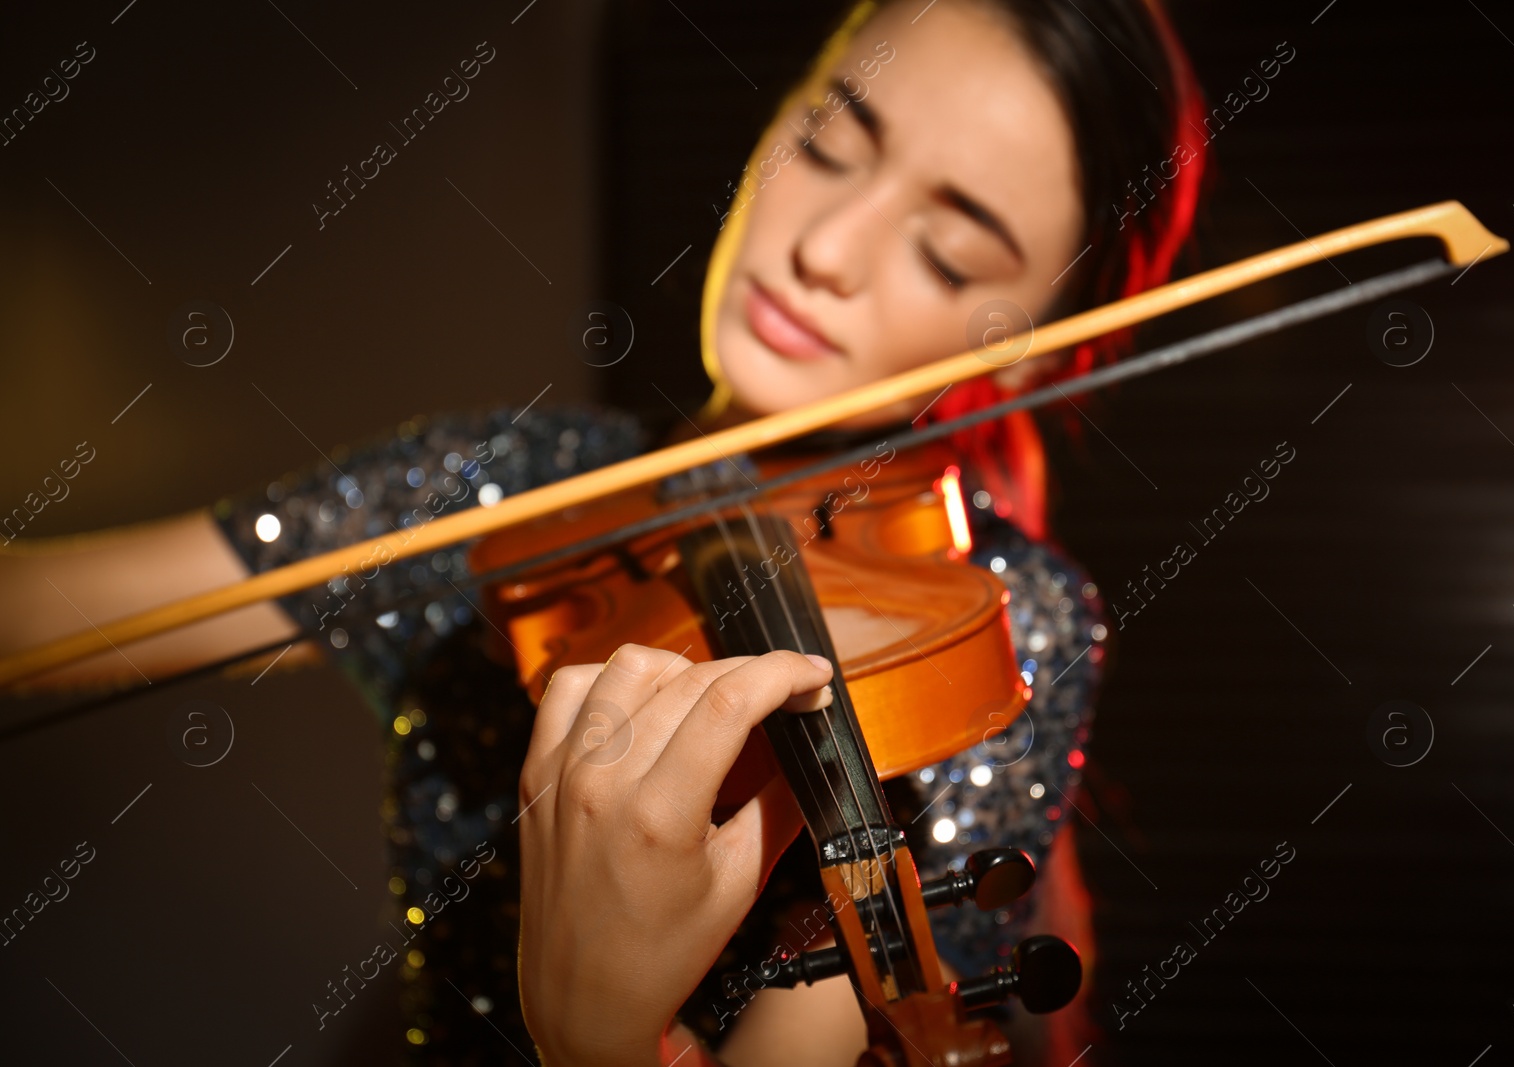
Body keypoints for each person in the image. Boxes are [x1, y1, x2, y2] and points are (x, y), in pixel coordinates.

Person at [0, 0, 1205, 1062]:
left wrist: (599, 1041)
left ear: (1027, 341)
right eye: (828, 140)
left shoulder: (996, 623)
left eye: (946, 255)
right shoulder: (508, 495)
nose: (820, 250)